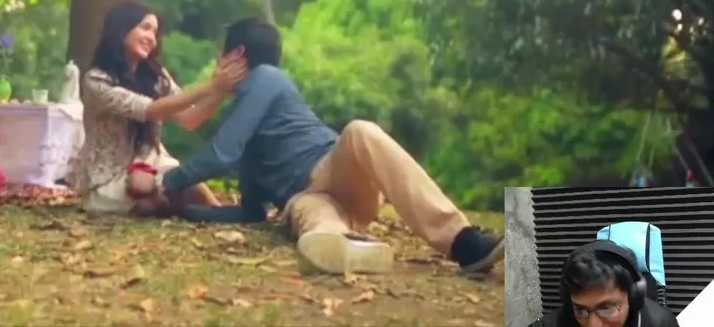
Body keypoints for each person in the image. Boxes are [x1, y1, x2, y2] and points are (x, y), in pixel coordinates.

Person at [156, 17, 504, 275]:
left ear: (238, 54)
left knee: (360, 131)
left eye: (221, 56)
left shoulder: (266, 78)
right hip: (310, 198)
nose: (217, 66)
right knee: (311, 217)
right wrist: (185, 212)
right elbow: (252, 213)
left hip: (335, 168)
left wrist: (165, 182)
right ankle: (349, 246)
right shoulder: (247, 131)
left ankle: (462, 242)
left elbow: (221, 154)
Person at [73, 0, 247, 216]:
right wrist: (211, 85)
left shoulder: (156, 77)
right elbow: (150, 110)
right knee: (151, 200)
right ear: (121, 28)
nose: (152, 39)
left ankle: (220, 215)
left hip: (152, 163)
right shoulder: (96, 80)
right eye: (145, 28)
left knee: (190, 185)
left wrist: (221, 91)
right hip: (108, 177)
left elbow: (190, 119)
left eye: (155, 33)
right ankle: (155, 200)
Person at [528, 241, 679, 327]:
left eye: (606, 308)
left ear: (633, 297)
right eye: (581, 310)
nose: (593, 325)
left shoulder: (661, 322)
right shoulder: (553, 323)